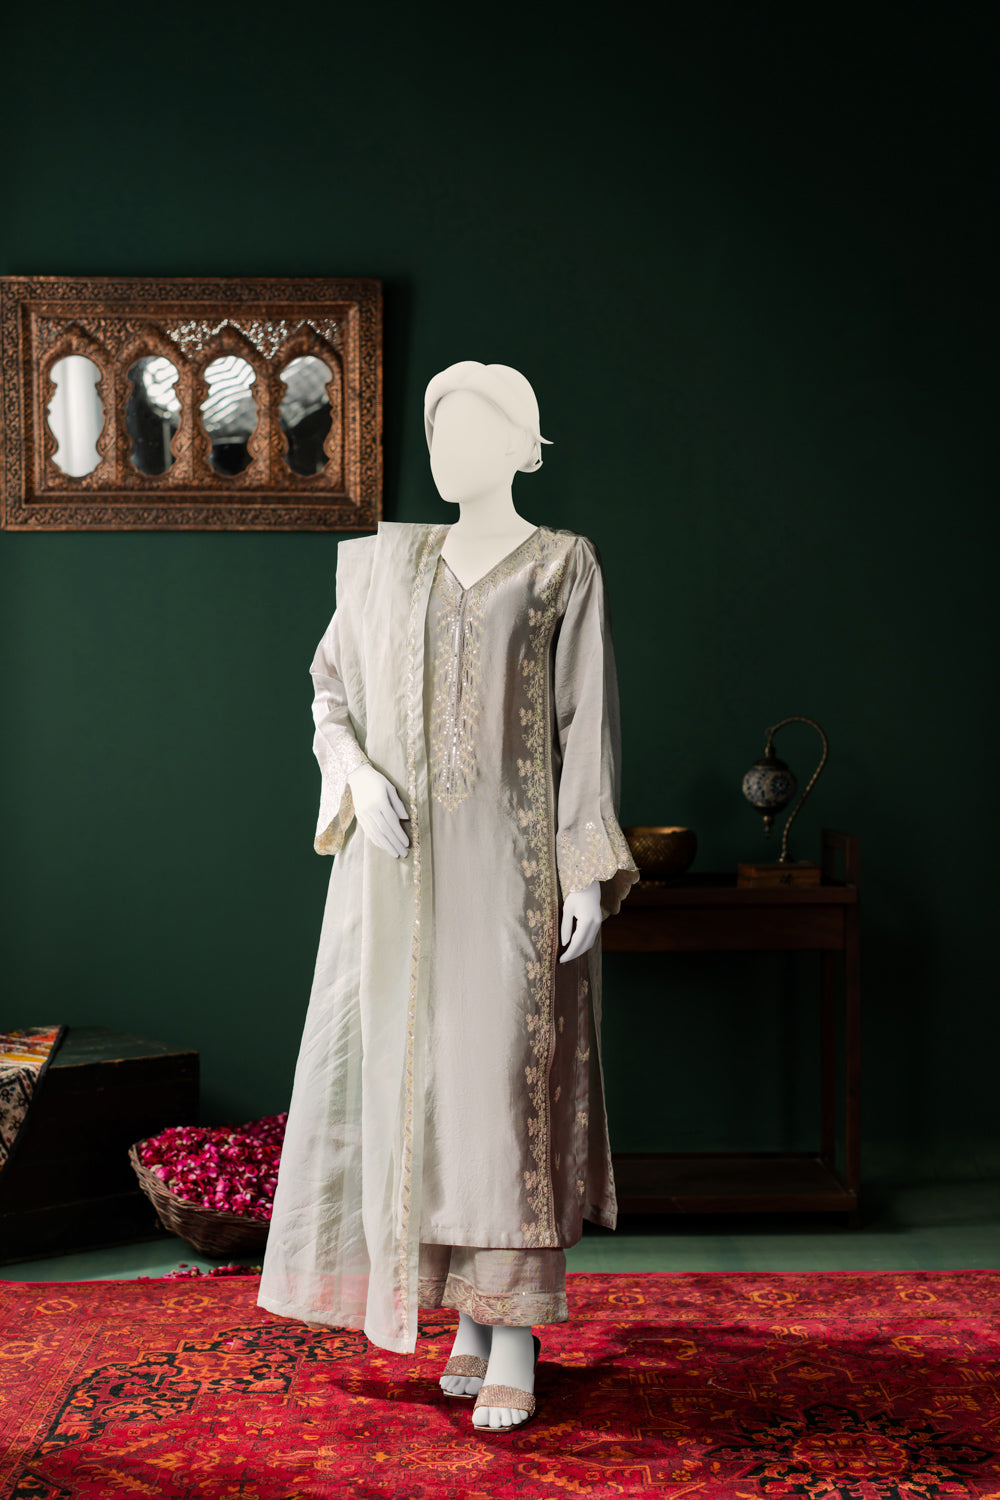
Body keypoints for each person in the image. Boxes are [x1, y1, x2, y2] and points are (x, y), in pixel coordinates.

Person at [257, 361, 638, 1433]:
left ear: (522, 446)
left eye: (472, 431)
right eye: (436, 433)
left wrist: (582, 868)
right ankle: (471, 1324)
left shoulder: (562, 564)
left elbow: (586, 723)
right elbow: (329, 688)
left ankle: (514, 1333)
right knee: (429, 1095)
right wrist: (356, 777)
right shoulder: (393, 566)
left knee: (502, 1095)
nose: (446, 452)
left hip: (514, 877)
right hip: (406, 881)